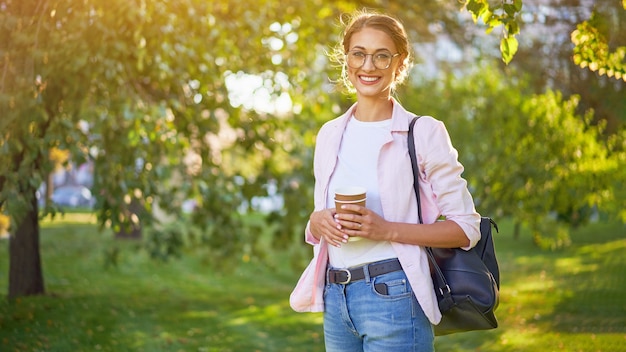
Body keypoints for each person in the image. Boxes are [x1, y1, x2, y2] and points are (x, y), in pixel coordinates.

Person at [290, 9, 481, 351]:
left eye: (381, 56)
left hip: (394, 295)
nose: (368, 66)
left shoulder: (422, 132)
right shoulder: (330, 134)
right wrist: (316, 222)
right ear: (346, 59)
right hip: (336, 297)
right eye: (359, 54)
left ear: (400, 63)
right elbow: (321, 220)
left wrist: (386, 229)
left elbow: (465, 229)